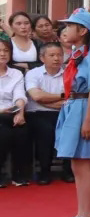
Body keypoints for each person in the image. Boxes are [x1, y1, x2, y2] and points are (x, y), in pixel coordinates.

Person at [52, 9, 90, 217]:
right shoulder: (77, 56)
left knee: (84, 163)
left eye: (70, 26)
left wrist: (88, 120)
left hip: (83, 108)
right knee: (76, 163)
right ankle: (82, 213)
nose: (65, 29)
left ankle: (88, 215)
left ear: (82, 31)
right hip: (73, 106)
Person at [24, 42, 66, 185]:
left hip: (63, 111)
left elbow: (71, 99)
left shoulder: (69, 73)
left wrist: (45, 99)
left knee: (71, 128)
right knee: (45, 130)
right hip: (37, 113)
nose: (56, 58)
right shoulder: (33, 73)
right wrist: (62, 96)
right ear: (42, 58)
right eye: (52, 55)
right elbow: (36, 96)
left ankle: (68, 171)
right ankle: (44, 171)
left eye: (59, 55)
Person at [0, 38, 31, 188]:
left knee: (22, 131)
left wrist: (20, 113)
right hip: (1, 113)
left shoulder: (16, 73)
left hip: (11, 112)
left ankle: (19, 174)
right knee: (4, 134)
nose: (2, 54)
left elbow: (19, 96)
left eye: (6, 51)